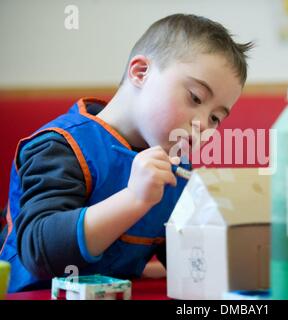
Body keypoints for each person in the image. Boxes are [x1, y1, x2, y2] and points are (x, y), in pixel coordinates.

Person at [0, 13, 253, 292]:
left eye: (216, 118)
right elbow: (40, 252)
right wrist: (134, 198)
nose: (204, 125)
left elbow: (189, 259)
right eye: (195, 97)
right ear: (140, 72)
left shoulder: (175, 170)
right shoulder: (60, 145)